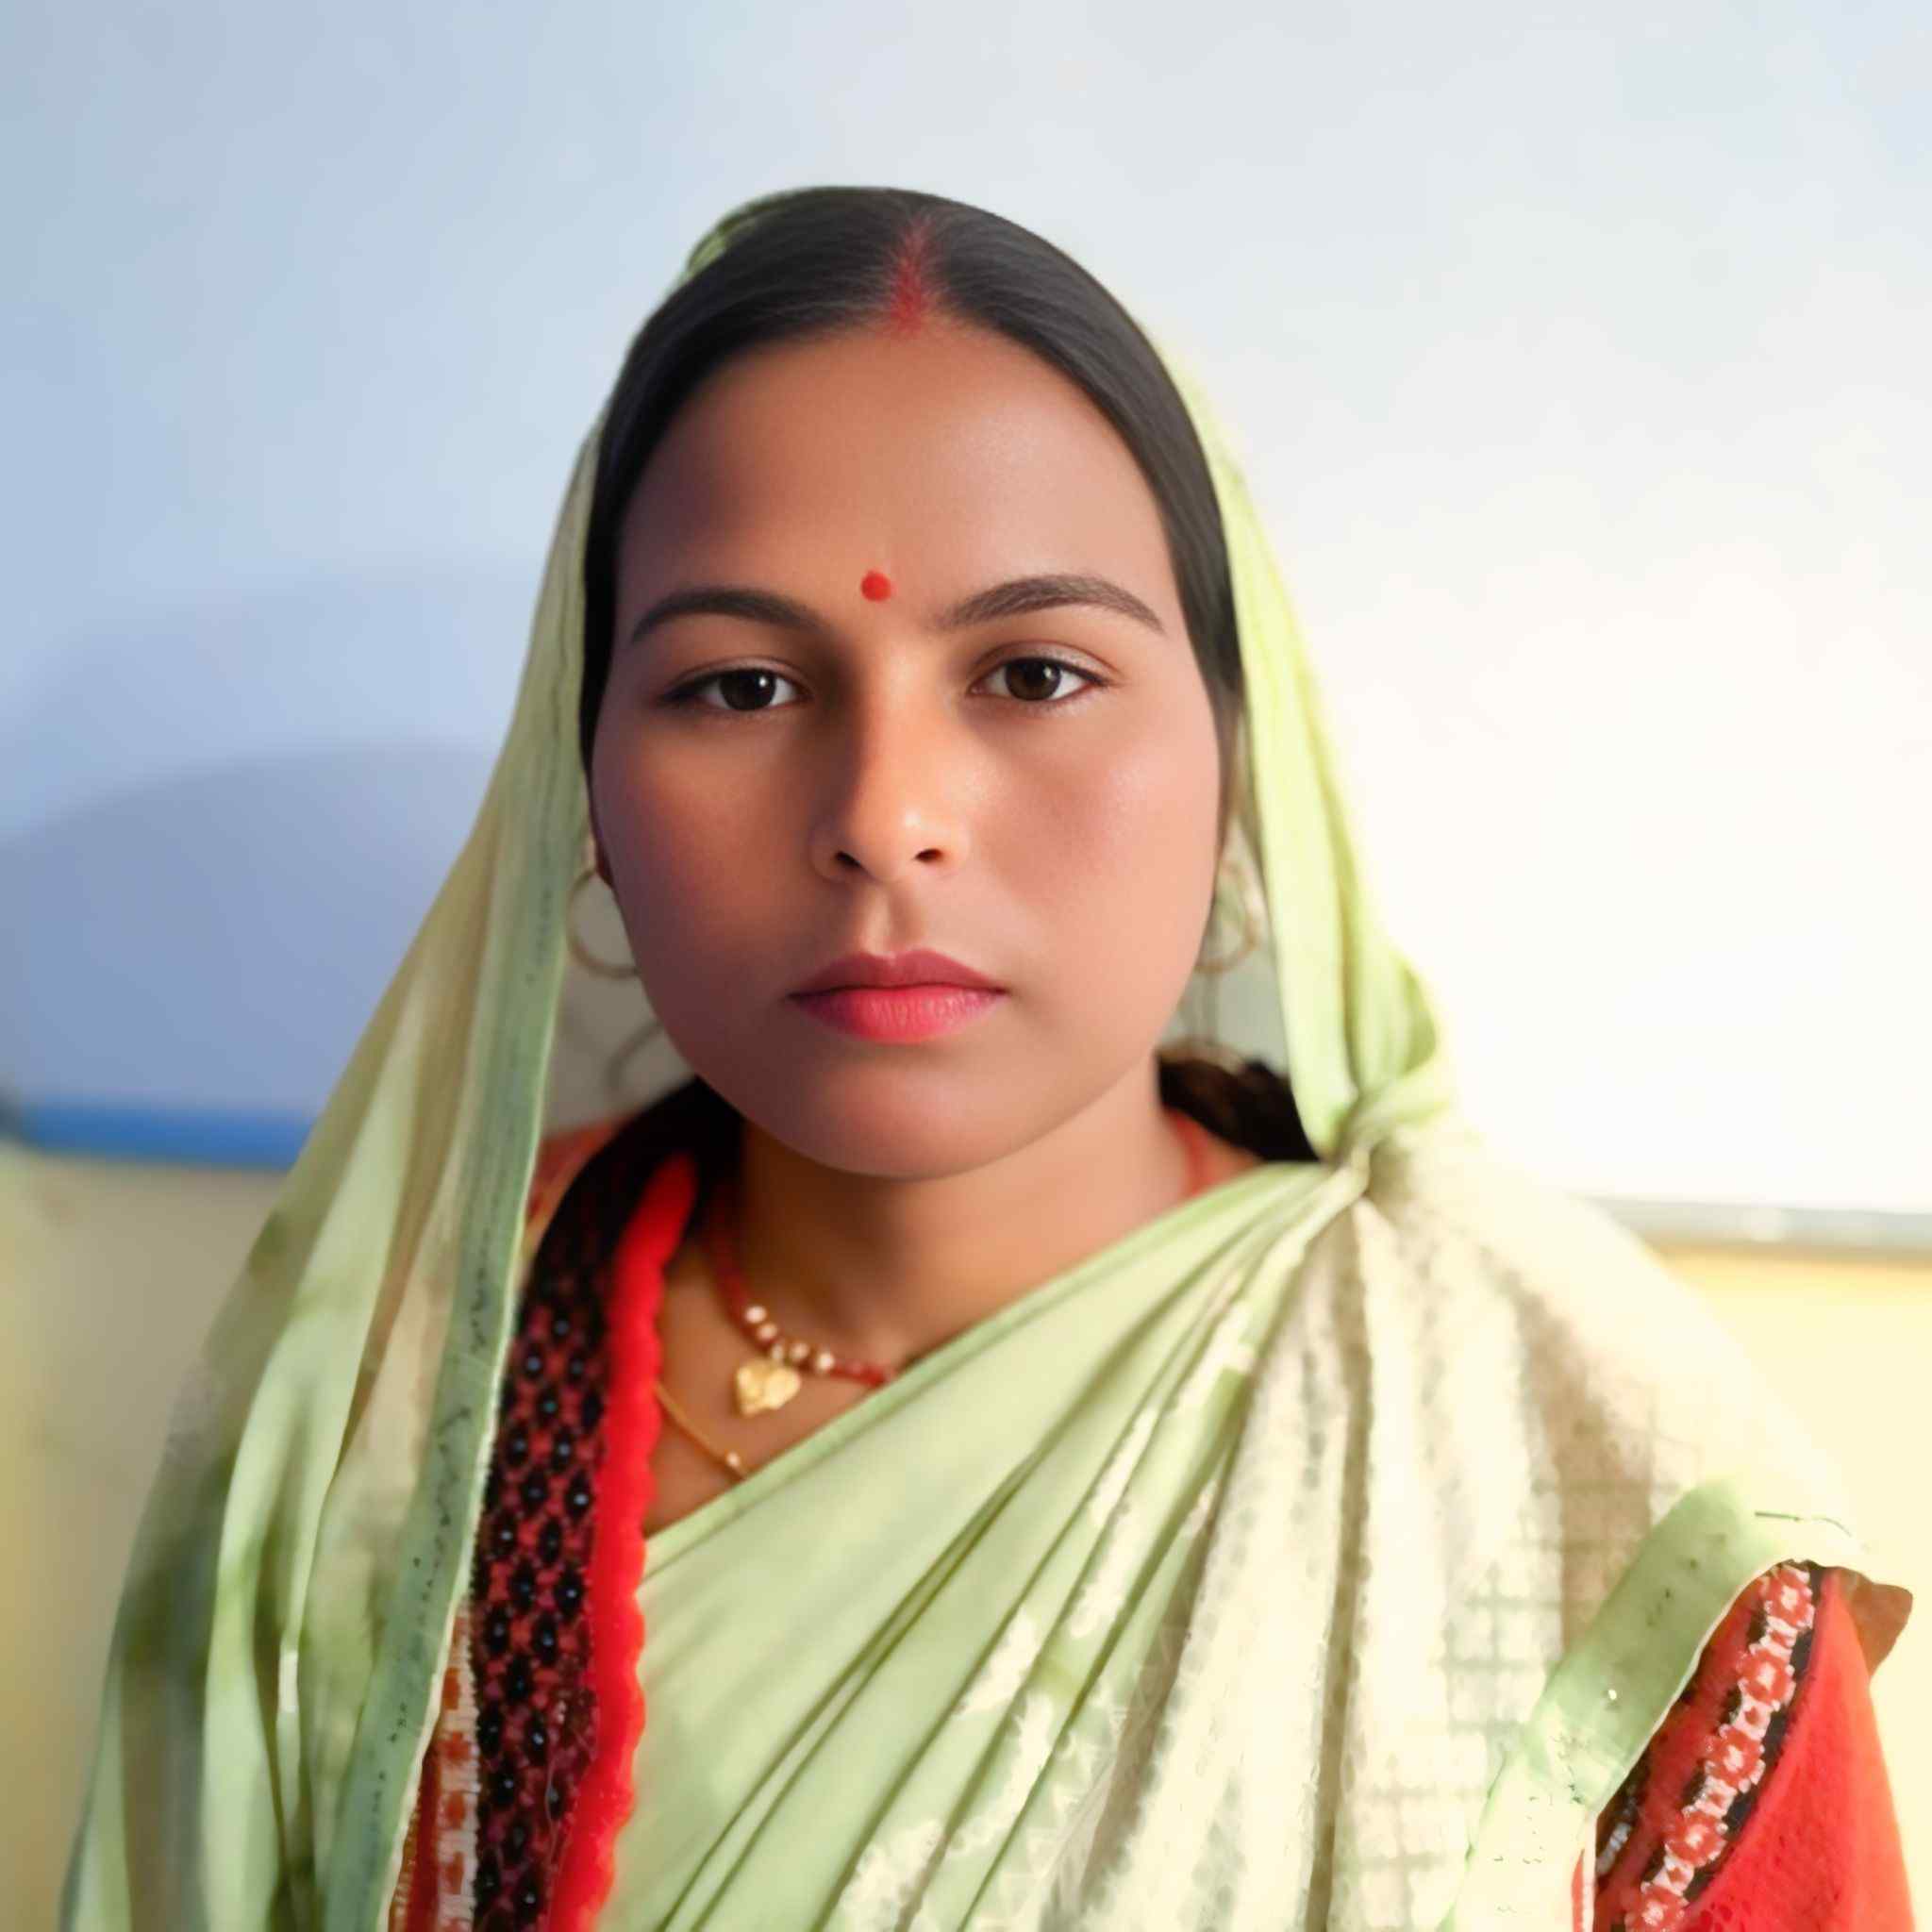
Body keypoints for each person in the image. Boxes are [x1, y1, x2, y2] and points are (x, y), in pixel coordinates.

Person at [59, 188, 1913, 1932]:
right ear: (586, 799)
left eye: (1032, 674)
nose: (886, 817)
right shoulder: (378, 1397)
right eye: (741, 686)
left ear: (1240, 764)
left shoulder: (1572, 1477)